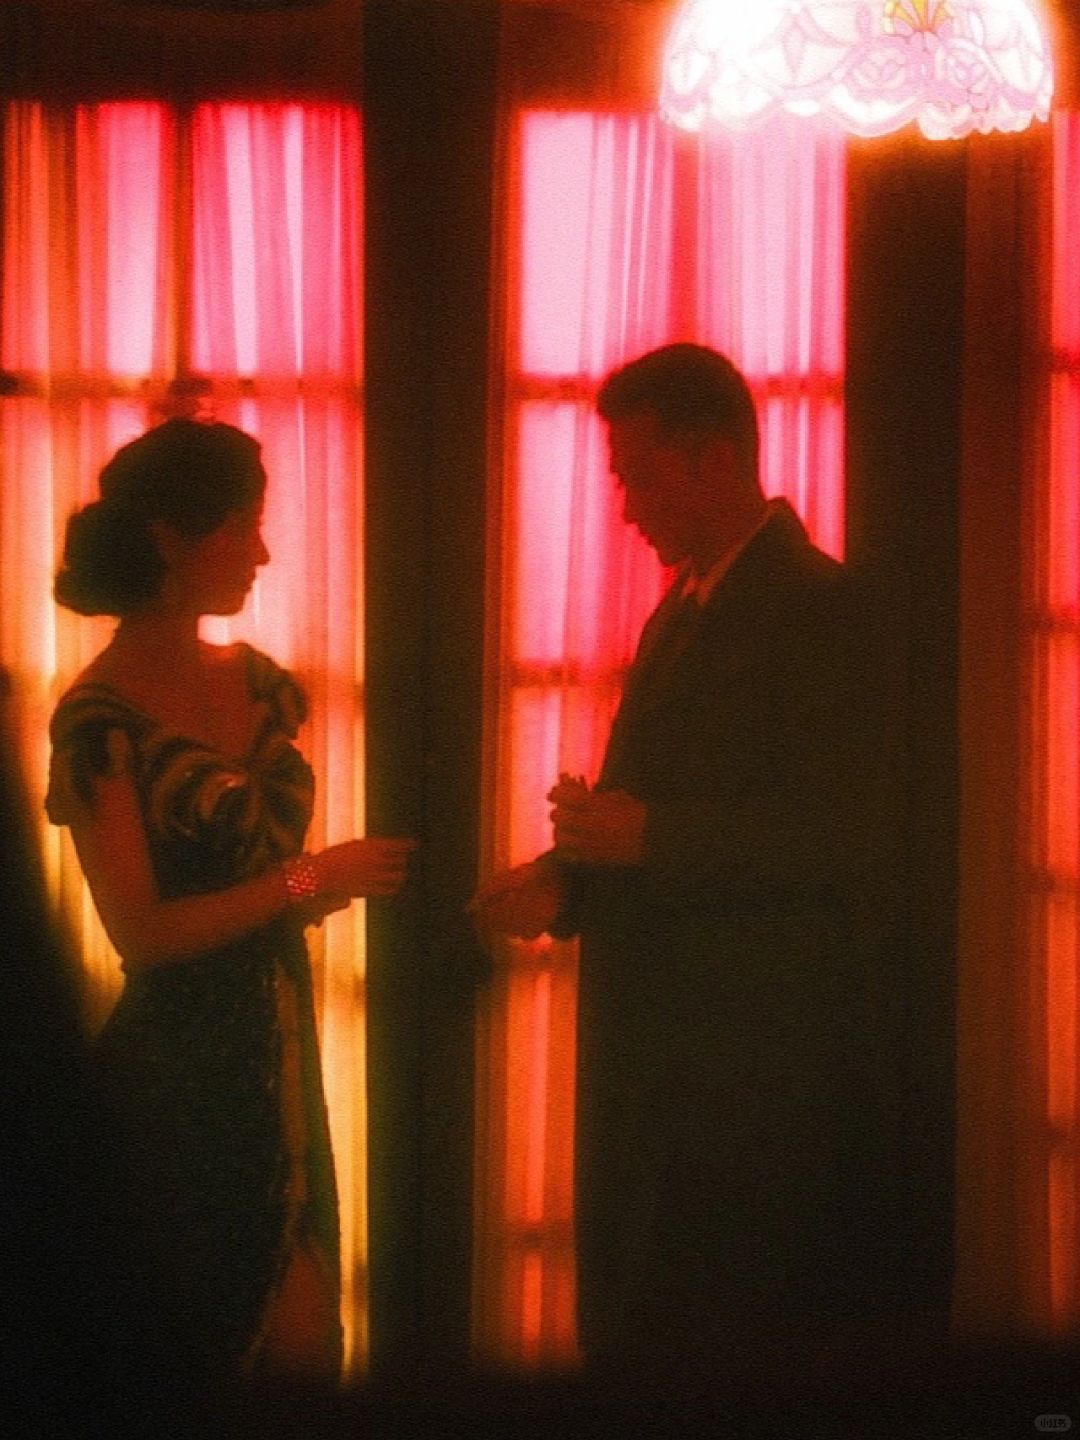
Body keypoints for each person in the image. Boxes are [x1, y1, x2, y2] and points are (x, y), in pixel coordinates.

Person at [473, 343, 917, 1373]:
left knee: (729, 1343)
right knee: (646, 1323)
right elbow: (644, 804)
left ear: (715, 460)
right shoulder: (679, 609)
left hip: (756, 1065)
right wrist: (563, 880)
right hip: (658, 1059)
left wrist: (648, 837)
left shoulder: (824, 606)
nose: (626, 507)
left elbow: (843, 831)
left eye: (639, 477)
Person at [46, 418, 415, 1388]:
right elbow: (142, 933)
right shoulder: (99, 720)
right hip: (180, 1074)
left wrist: (314, 894)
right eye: (243, 528)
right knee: (205, 1350)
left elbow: (262, 892)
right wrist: (307, 880)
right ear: (172, 539)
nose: (262, 553)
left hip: (280, 1048)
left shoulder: (257, 685)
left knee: (306, 1341)